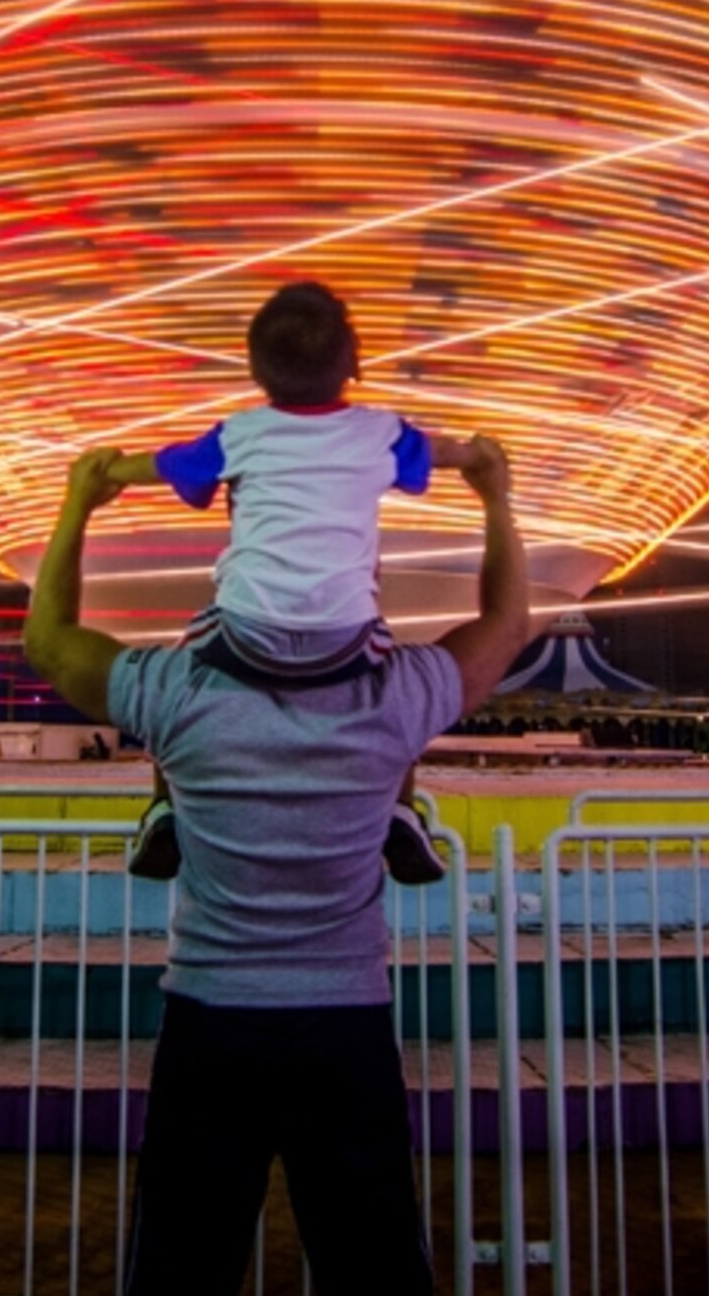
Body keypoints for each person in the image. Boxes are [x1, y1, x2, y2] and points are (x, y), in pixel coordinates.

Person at [23, 427, 532, 1296]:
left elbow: (52, 639)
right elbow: (507, 622)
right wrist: (493, 493)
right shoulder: (393, 694)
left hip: (211, 1018)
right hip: (345, 1023)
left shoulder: (181, 692)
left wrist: (79, 500)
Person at [97, 282, 488, 885]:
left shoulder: (238, 434)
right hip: (346, 638)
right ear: (354, 359)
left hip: (245, 634)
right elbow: (444, 453)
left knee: (176, 675)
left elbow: (160, 465)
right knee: (398, 686)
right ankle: (401, 808)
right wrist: (478, 455)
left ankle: (165, 803)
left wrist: (107, 469)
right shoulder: (381, 433)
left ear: (256, 372)